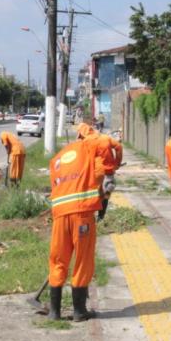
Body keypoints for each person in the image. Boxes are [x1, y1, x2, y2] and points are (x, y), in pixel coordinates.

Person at [47, 137, 105, 322]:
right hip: (81, 215)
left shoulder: (58, 158)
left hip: (59, 215)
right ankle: (79, 311)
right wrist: (103, 198)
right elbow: (101, 173)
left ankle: (54, 312)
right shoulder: (90, 153)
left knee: (58, 259)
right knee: (82, 260)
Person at [76, 123, 120, 219]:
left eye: (80, 136)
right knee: (105, 194)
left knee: (92, 194)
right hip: (108, 171)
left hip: (95, 172)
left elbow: (84, 159)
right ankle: (101, 216)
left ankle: (90, 217)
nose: (80, 138)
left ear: (83, 133)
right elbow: (118, 147)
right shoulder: (105, 137)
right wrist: (117, 163)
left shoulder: (86, 142)